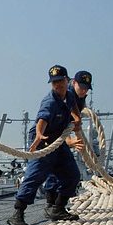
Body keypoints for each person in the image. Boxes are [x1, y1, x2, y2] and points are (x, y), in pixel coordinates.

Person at [7, 65, 82, 225]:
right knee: (35, 176)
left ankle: (58, 208)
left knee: (72, 175)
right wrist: (39, 135)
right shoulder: (49, 101)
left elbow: (73, 105)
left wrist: (76, 117)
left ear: (66, 80)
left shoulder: (68, 94)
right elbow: (42, 118)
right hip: (43, 141)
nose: (58, 85)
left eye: (60, 81)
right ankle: (18, 213)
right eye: (54, 82)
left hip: (58, 141)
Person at [43, 70, 92, 213]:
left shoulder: (77, 97)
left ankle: (57, 205)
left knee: (67, 171)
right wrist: (68, 141)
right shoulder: (65, 96)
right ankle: (51, 204)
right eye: (81, 87)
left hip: (61, 135)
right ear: (73, 82)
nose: (83, 90)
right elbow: (56, 123)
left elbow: (72, 120)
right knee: (55, 168)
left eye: (86, 88)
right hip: (51, 136)